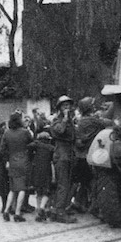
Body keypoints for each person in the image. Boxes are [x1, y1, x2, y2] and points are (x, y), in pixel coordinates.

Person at [74, 97, 114, 215]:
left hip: (82, 155)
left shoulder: (82, 120)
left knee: (86, 182)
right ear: (88, 108)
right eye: (92, 105)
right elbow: (109, 122)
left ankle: (79, 203)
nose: (94, 106)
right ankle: (95, 208)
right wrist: (114, 105)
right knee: (95, 182)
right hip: (90, 155)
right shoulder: (91, 120)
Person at [0, 112, 34, 222]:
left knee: (12, 189)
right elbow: (32, 144)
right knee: (22, 189)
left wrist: (7, 160)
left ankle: (6, 210)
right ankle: (17, 213)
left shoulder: (6, 133)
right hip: (23, 161)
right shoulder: (25, 132)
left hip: (12, 161)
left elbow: (2, 150)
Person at [50, 95, 78, 223]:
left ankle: (59, 208)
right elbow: (60, 131)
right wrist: (65, 119)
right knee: (63, 185)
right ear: (59, 108)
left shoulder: (70, 121)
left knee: (67, 184)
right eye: (64, 105)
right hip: (61, 155)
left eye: (69, 105)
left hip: (69, 154)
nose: (67, 107)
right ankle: (59, 212)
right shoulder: (57, 121)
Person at [29, 129, 55, 221]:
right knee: (47, 191)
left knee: (38, 191)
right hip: (47, 170)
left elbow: (29, 147)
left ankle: (38, 208)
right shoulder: (51, 148)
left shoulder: (36, 145)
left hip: (36, 170)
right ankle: (42, 207)